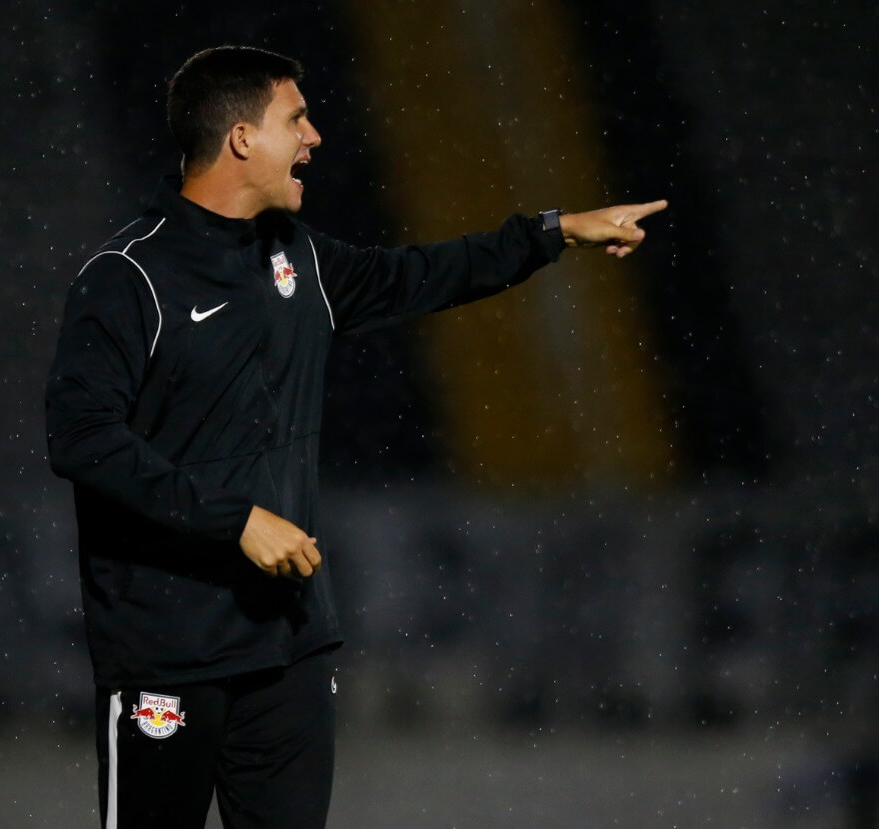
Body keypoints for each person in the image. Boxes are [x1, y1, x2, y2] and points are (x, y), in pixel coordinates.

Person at [45, 44, 666, 829]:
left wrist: (554, 232)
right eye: (296, 119)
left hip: (289, 646)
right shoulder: (128, 276)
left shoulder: (296, 254)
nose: (315, 137)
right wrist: (235, 519)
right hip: (168, 650)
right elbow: (82, 437)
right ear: (242, 138)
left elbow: (419, 275)